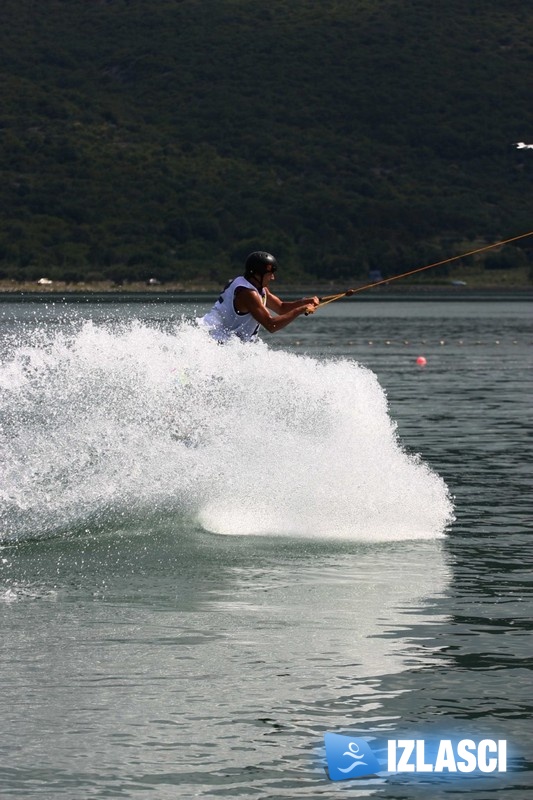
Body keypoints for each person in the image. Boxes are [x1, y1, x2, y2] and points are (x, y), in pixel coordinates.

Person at [200, 251, 320, 343]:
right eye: (269, 274)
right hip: (214, 340)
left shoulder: (257, 288)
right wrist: (300, 310)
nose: (273, 278)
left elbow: (281, 308)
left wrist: (304, 302)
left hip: (223, 342)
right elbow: (271, 325)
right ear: (257, 274)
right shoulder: (247, 293)